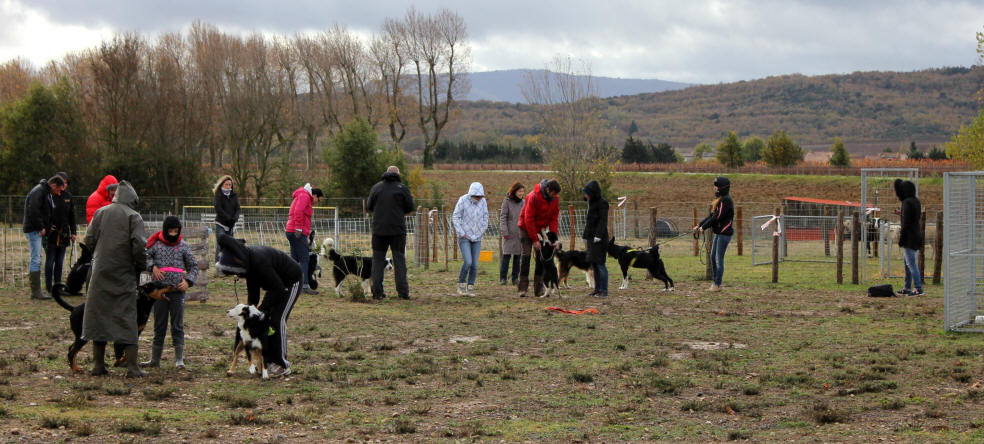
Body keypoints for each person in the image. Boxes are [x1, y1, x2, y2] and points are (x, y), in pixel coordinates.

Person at [81, 181, 149, 377]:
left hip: (100, 272)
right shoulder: (133, 217)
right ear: (132, 199)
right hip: (124, 273)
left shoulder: (101, 212)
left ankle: (98, 366)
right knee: (127, 317)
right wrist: (140, 265)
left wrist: (99, 256)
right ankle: (132, 367)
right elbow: (138, 245)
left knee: (98, 316)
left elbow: (89, 239)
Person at [216, 232, 301, 378]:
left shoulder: (258, 262)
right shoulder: (248, 263)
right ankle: (267, 362)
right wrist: (251, 312)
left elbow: (279, 289)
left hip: (290, 281)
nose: (237, 276)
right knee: (265, 322)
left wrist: (261, 310)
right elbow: (253, 292)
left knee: (277, 319)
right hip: (275, 284)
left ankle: (281, 364)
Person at [143, 216, 198, 369]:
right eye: (170, 231)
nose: (173, 234)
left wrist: (188, 281)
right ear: (165, 230)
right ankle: (155, 359)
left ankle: (179, 359)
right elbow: (144, 256)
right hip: (160, 293)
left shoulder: (183, 246)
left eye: (176, 231)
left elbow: (193, 266)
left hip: (177, 292)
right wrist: (152, 266)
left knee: (177, 325)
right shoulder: (156, 245)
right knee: (159, 325)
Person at [366, 166, 415, 300]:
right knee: (399, 261)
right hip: (397, 230)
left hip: (378, 230)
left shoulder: (376, 188)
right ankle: (403, 292)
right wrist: (398, 212)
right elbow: (410, 207)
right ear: (398, 174)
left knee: (377, 261)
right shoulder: (402, 188)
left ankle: (377, 292)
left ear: (386, 173)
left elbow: (369, 206)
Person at [23, 175, 66, 300]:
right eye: (58, 190)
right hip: (33, 230)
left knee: (38, 257)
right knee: (36, 258)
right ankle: (36, 292)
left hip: (37, 229)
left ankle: (36, 291)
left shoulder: (44, 192)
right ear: (53, 185)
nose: (58, 193)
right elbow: (34, 210)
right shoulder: (39, 191)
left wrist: (47, 226)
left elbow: (43, 211)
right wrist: (41, 227)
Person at [517, 179, 561, 298]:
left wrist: (553, 238)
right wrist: (535, 240)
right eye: (553, 193)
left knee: (542, 258)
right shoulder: (533, 197)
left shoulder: (555, 199)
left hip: (540, 229)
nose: (555, 196)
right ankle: (523, 288)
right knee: (526, 256)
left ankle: (539, 289)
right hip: (526, 228)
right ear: (548, 190)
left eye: (556, 194)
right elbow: (528, 219)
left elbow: (554, 218)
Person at [695, 176, 735, 292]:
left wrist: (704, 227)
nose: (714, 188)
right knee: (713, 257)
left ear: (721, 188)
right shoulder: (721, 200)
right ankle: (716, 282)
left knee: (719, 258)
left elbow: (718, 217)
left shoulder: (726, 200)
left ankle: (717, 284)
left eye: (716, 186)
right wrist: (700, 225)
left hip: (724, 234)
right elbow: (712, 216)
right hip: (719, 233)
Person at [286, 183, 323, 295]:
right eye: (319, 200)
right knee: (304, 259)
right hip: (296, 231)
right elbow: (298, 212)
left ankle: (291, 284)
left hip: (293, 230)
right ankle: (304, 286)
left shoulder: (302, 195)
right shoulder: (305, 196)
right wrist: (298, 229)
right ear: (315, 195)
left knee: (294, 259)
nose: (318, 202)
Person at [452, 182, 489, 296]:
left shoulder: (483, 202)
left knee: (475, 265)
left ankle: (470, 287)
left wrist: (481, 231)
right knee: (468, 261)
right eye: (476, 196)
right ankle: (461, 285)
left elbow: (485, 217)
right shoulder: (462, 200)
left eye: (480, 196)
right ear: (471, 194)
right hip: (465, 237)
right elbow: (456, 216)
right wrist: (461, 232)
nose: (478, 198)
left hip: (477, 237)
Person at [44, 172, 77, 296]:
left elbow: (72, 216)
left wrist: (73, 231)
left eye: (66, 182)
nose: (64, 184)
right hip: (52, 233)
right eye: (62, 182)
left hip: (64, 234)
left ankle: (57, 287)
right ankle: (48, 287)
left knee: (60, 261)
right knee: (50, 260)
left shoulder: (68, 197)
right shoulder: (50, 196)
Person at [894, 179, 924, 296]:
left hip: (909, 237)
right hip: (916, 234)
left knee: (911, 264)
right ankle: (907, 288)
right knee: (907, 263)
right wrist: (900, 213)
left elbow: (906, 222)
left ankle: (918, 288)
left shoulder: (906, 202)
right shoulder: (916, 201)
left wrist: (902, 239)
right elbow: (912, 216)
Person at [582, 180, 609, 298]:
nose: (585, 195)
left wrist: (598, 235)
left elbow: (602, 221)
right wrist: (585, 236)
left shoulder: (603, 203)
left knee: (600, 264)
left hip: (600, 239)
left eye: (587, 193)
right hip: (591, 238)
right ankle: (597, 289)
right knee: (594, 264)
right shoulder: (591, 203)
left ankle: (604, 290)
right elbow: (589, 222)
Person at [499, 182, 525, 285]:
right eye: (519, 191)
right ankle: (503, 278)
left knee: (518, 257)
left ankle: (515, 278)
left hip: (520, 233)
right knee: (506, 256)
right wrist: (504, 231)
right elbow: (503, 217)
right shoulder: (507, 202)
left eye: (522, 191)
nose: (521, 193)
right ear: (514, 191)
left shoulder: (524, 202)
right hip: (509, 233)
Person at [212, 175, 241, 262]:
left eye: (230, 185)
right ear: (222, 184)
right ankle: (218, 265)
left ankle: (227, 265)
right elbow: (219, 209)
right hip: (221, 224)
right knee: (221, 245)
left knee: (230, 245)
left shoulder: (234, 195)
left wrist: (235, 218)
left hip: (231, 225)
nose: (228, 186)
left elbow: (238, 208)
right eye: (226, 184)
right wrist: (228, 218)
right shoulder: (218, 195)